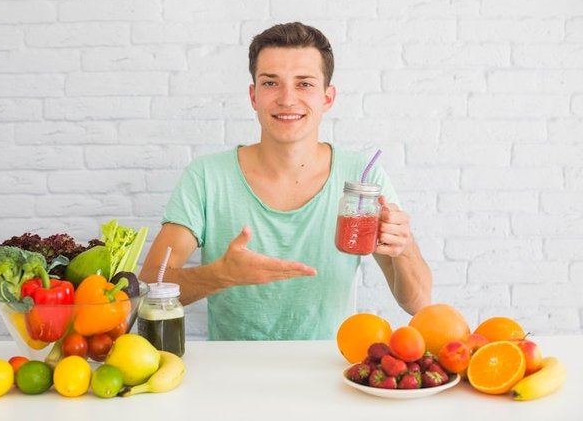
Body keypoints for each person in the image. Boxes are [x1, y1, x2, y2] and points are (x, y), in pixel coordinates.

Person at [140, 22, 432, 340]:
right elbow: (147, 288)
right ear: (253, 96)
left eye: (304, 84)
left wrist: (404, 248)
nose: (287, 98)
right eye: (270, 83)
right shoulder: (207, 177)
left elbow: (417, 303)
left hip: (332, 372)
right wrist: (220, 275)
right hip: (231, 376)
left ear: (328, 97)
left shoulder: (362, 179)